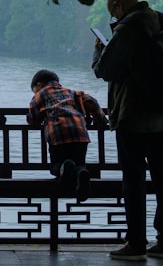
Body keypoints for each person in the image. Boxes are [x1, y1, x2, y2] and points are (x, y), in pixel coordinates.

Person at [92, 0, 163, 261]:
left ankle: (136, 243)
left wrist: (99, 51)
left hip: (132, 117)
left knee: (134, 183)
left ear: (118, 6)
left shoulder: (127, 28)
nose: (113, 16)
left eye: (112, 11)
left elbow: (104, 70)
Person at [26, 69, 106, 203]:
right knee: (80, 164)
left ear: (39, 85)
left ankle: (64, 166)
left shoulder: (41, 94)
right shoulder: (74, 93)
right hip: (80, 134)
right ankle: (80, 172)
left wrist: (38, 119)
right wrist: (100, 120)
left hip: (58, 135)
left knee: (56, 166)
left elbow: (32, 119)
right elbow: (92, 101)